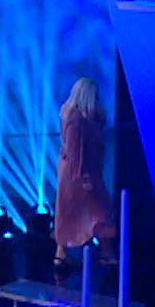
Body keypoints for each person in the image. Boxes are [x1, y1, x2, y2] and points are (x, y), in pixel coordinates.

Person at [53, 77, 117, 268]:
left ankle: (62, 254)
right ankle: (102, 253)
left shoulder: (89, 118)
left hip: (85, 172)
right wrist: (82, 177)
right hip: (78, 174)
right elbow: (74, 152)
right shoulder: (76, 120)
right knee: (98, 210)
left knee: (78, 212)